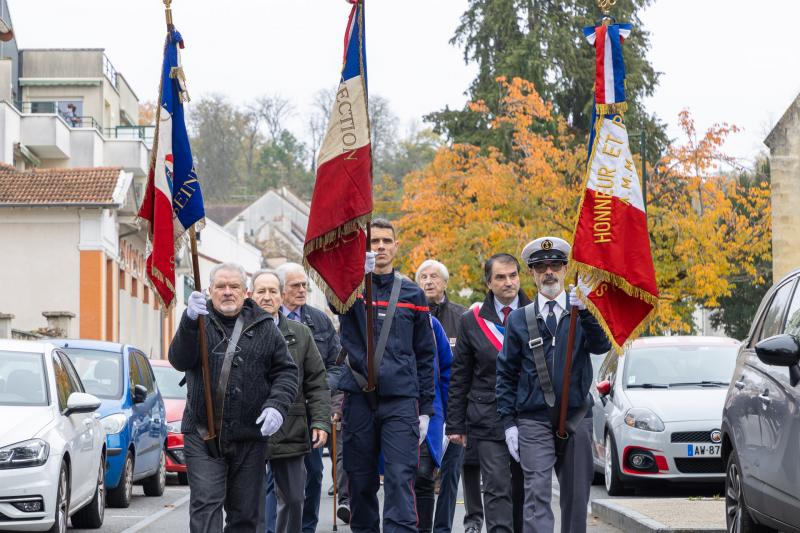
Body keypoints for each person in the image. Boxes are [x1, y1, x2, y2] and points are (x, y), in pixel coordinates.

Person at [169, 262, 298, 533]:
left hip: (249, 438)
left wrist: (277, 406)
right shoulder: (199, 321)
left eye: (234, 286)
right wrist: (189, 321)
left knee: (246, 516)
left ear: (246, 292)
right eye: (220, 287)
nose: (227, 292)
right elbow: (179, 359)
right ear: (209, 290)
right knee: (206, 507)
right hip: (203, 434)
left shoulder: (265, 326)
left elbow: (286, 372)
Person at [496, 237, 611, 533]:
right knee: (536, 494)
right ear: (533, 273)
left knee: (576, 497)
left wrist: (585, 312)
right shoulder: (520, 319)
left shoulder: (581, 311)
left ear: (564, 269)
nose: (549, 271)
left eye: (555, 265)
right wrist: (508, 422)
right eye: (541, 266)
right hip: (533, 419)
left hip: (576, 416)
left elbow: (601, 346)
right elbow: (506, 373)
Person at [336, 217, 436, 533]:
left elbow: (425, 354)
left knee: (400, 478)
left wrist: (426, 410)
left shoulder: (413, 293)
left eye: (385, 241)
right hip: (359, 400)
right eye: (373, 241)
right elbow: (333, 301)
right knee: (360, 479)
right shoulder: (350, 289)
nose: (379, 246)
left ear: (395, 246)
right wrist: (355, 275)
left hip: (401, 401)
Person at [447, 253, 527, 533]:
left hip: (529, 415)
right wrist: (456, 424)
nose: (509, 282)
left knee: (523, 488)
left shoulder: (536, 312)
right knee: (496, 487)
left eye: (513, 275)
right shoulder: (472, 321)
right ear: (489, 283)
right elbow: (461, 374)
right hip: (486, 416)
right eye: (501, 277)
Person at [251, 270, 331, 533]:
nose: (267, 297)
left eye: (272, 291)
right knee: (250, 500)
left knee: (295, 499)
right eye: (261, 291)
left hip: (291, 428)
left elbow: (317, 380)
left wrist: (320, 420)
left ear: (281, 296)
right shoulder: (238, 330)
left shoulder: (301, 333)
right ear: (250, 295)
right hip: (248, 430)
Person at [274, 262, 346, 529]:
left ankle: (307, 527)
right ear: (282, 290)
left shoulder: (319, 320)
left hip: (309, 412)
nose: (302, 290)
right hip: (276, 411)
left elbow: (338, 362)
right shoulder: (265, 319)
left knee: (314, 474)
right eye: (295, 285)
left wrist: (321, 388)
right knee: (275, 481)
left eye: (304, 284)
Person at [415, 260, 484, 533]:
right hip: (425, 409)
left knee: (450, 474)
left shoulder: (463, 317)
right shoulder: (411, 315)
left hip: (456, 407)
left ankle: (443, 527)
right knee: (421, 474)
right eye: (423, 276)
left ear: (445, 283)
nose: (428, 281)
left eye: (434, 276)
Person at [415, 315, 452, 533]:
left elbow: (447, 369)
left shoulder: (431, 324)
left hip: (431, 410)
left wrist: (451, 415)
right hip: (392, 406)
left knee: (423, 474)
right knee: (399, 478)